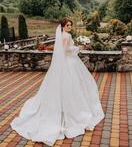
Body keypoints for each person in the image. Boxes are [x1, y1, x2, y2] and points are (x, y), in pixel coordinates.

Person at [10, 17, 104, 146]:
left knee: (66, 87)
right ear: (64, 26)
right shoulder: (67, 36)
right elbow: (66, 51)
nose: (70, 27)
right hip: (69, 63)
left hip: (65, 64)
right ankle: (71, 111)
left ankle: (64, 108)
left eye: (70, 25)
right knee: (73, 86)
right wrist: (78, 48)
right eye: (68, 25)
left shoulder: (61, 35)